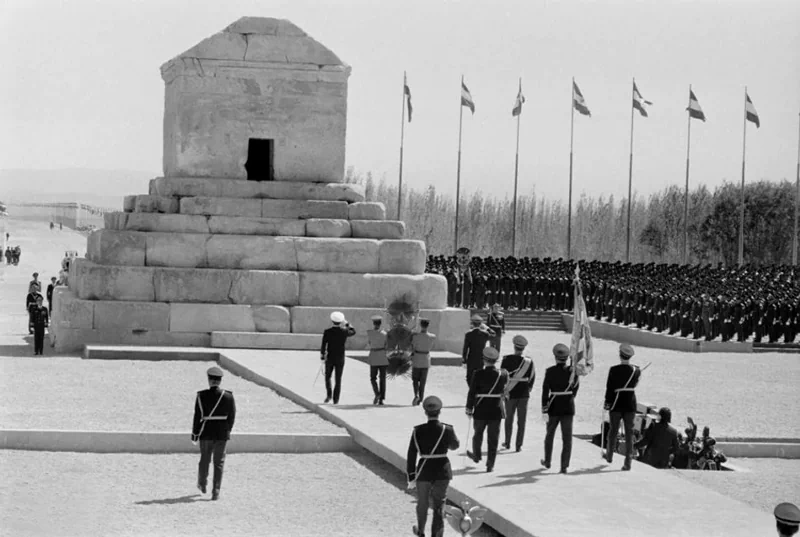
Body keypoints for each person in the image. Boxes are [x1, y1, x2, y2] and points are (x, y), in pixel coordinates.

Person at [407, 395, 460, 537]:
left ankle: (421, 531)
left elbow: (411, 454)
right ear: (440, 411)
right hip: (442, 470)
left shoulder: (417, 430)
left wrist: (411, 476)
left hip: (424, 469)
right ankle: (437, 535)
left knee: (422, 503)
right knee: (439, 505)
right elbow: (455, 446)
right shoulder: (447, 429)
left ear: (425, 412)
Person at [191, 366, 236, 501]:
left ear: (209, 380)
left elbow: (197, 416)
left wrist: (195, 434)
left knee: (205, 460)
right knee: (219, 462)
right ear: (220, 381)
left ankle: (202, 483)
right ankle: (216, 491)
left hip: (206, 432)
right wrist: (227, 430)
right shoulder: (228, 396)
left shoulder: (201, 396)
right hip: (221, 433)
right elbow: (232, 416)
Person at [465, 347, 508, 473]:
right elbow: (505, 390)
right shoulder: (503, 374)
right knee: (493, 438)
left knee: (478, 434)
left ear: (484, 360)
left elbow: (472, 392)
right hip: (496, 409)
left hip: (481, 408)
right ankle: (490, 464)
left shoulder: (478, 373)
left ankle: (477, 455)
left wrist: (469, 407)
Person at [540, 343, 579, 474]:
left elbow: (545, 391)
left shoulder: (550, 371)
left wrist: (544, 408)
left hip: (554, 405)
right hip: (568, 406)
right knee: (567, 438)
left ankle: (547, 461)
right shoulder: (573, 372)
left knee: (549, 435)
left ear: (556, 357)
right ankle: (564, 465)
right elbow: (576, 388)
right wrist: (570, 396)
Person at [604, 343, 642, 471]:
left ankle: (609, 455)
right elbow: (636, 383)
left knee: (613, 430)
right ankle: (628, 462)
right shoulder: (636, 370)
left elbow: (609, 388)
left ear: (620, 356)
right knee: (629, 433)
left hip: (616, 401)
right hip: (630, 402)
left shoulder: (614, 370)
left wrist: (607, 403)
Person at [500, 335, 535, 452]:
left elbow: (502, 376)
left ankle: (507, 442)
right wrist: (528, 388)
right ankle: (518, 445)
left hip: (510, 392)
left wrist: (504, 390)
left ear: (514, 347)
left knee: (509, 418)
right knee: (521, 420)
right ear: (523, 348)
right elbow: (532, 377)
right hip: (524, 393)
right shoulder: (528, 362)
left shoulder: (506, 359)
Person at [320, 311, 356, 404]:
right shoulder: (344, 331)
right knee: (338, 379)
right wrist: (347, 323)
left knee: (327, 377)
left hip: (330, 357)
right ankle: (336, 400)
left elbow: (324, 344)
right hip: (340, 358)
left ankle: (329, 395)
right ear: (341, 321)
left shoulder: (327, 332)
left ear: (332, 321)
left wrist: (322, 355)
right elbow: (353, 331)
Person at [462, 314, 495, 387]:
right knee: (479, 375)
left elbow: (465, 348)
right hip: (481, 358)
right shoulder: (485, 334)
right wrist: (488, 328)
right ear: (480, 324)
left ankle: (471, 389)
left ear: (472, 324)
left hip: (471, 358)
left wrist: (464, 359)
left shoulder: (468, 334)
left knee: (469, 376)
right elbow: (493, 335)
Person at [411, 318, 436, 406]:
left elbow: (412, 346)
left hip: (417, 358)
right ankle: (420, 398)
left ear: (421, 325)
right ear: (428, 326)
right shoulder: (432, 336)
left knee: (415, 379)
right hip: (425, 359)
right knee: (422, 381)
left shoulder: (415, 336)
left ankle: (416, 395)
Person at [366, 315, 388, 405]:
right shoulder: (385, 334)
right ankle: (381, 399)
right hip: (383, 357)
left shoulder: (370, 333)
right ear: (380, 324)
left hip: (374, 356)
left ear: (373, 323)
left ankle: (377, 393)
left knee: (372, 378)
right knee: (382, 379)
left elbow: (370, 343)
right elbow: (387, 345)